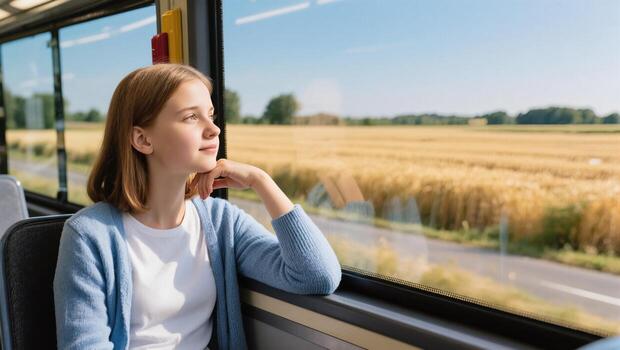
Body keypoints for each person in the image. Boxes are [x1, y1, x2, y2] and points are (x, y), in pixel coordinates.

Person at [53, 64, 342, 350]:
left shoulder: (220, 221)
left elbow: (316, 276)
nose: (214, 129)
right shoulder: (89, 236)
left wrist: (261, 181)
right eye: (191, 117)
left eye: (211, 115)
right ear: (142, 139)